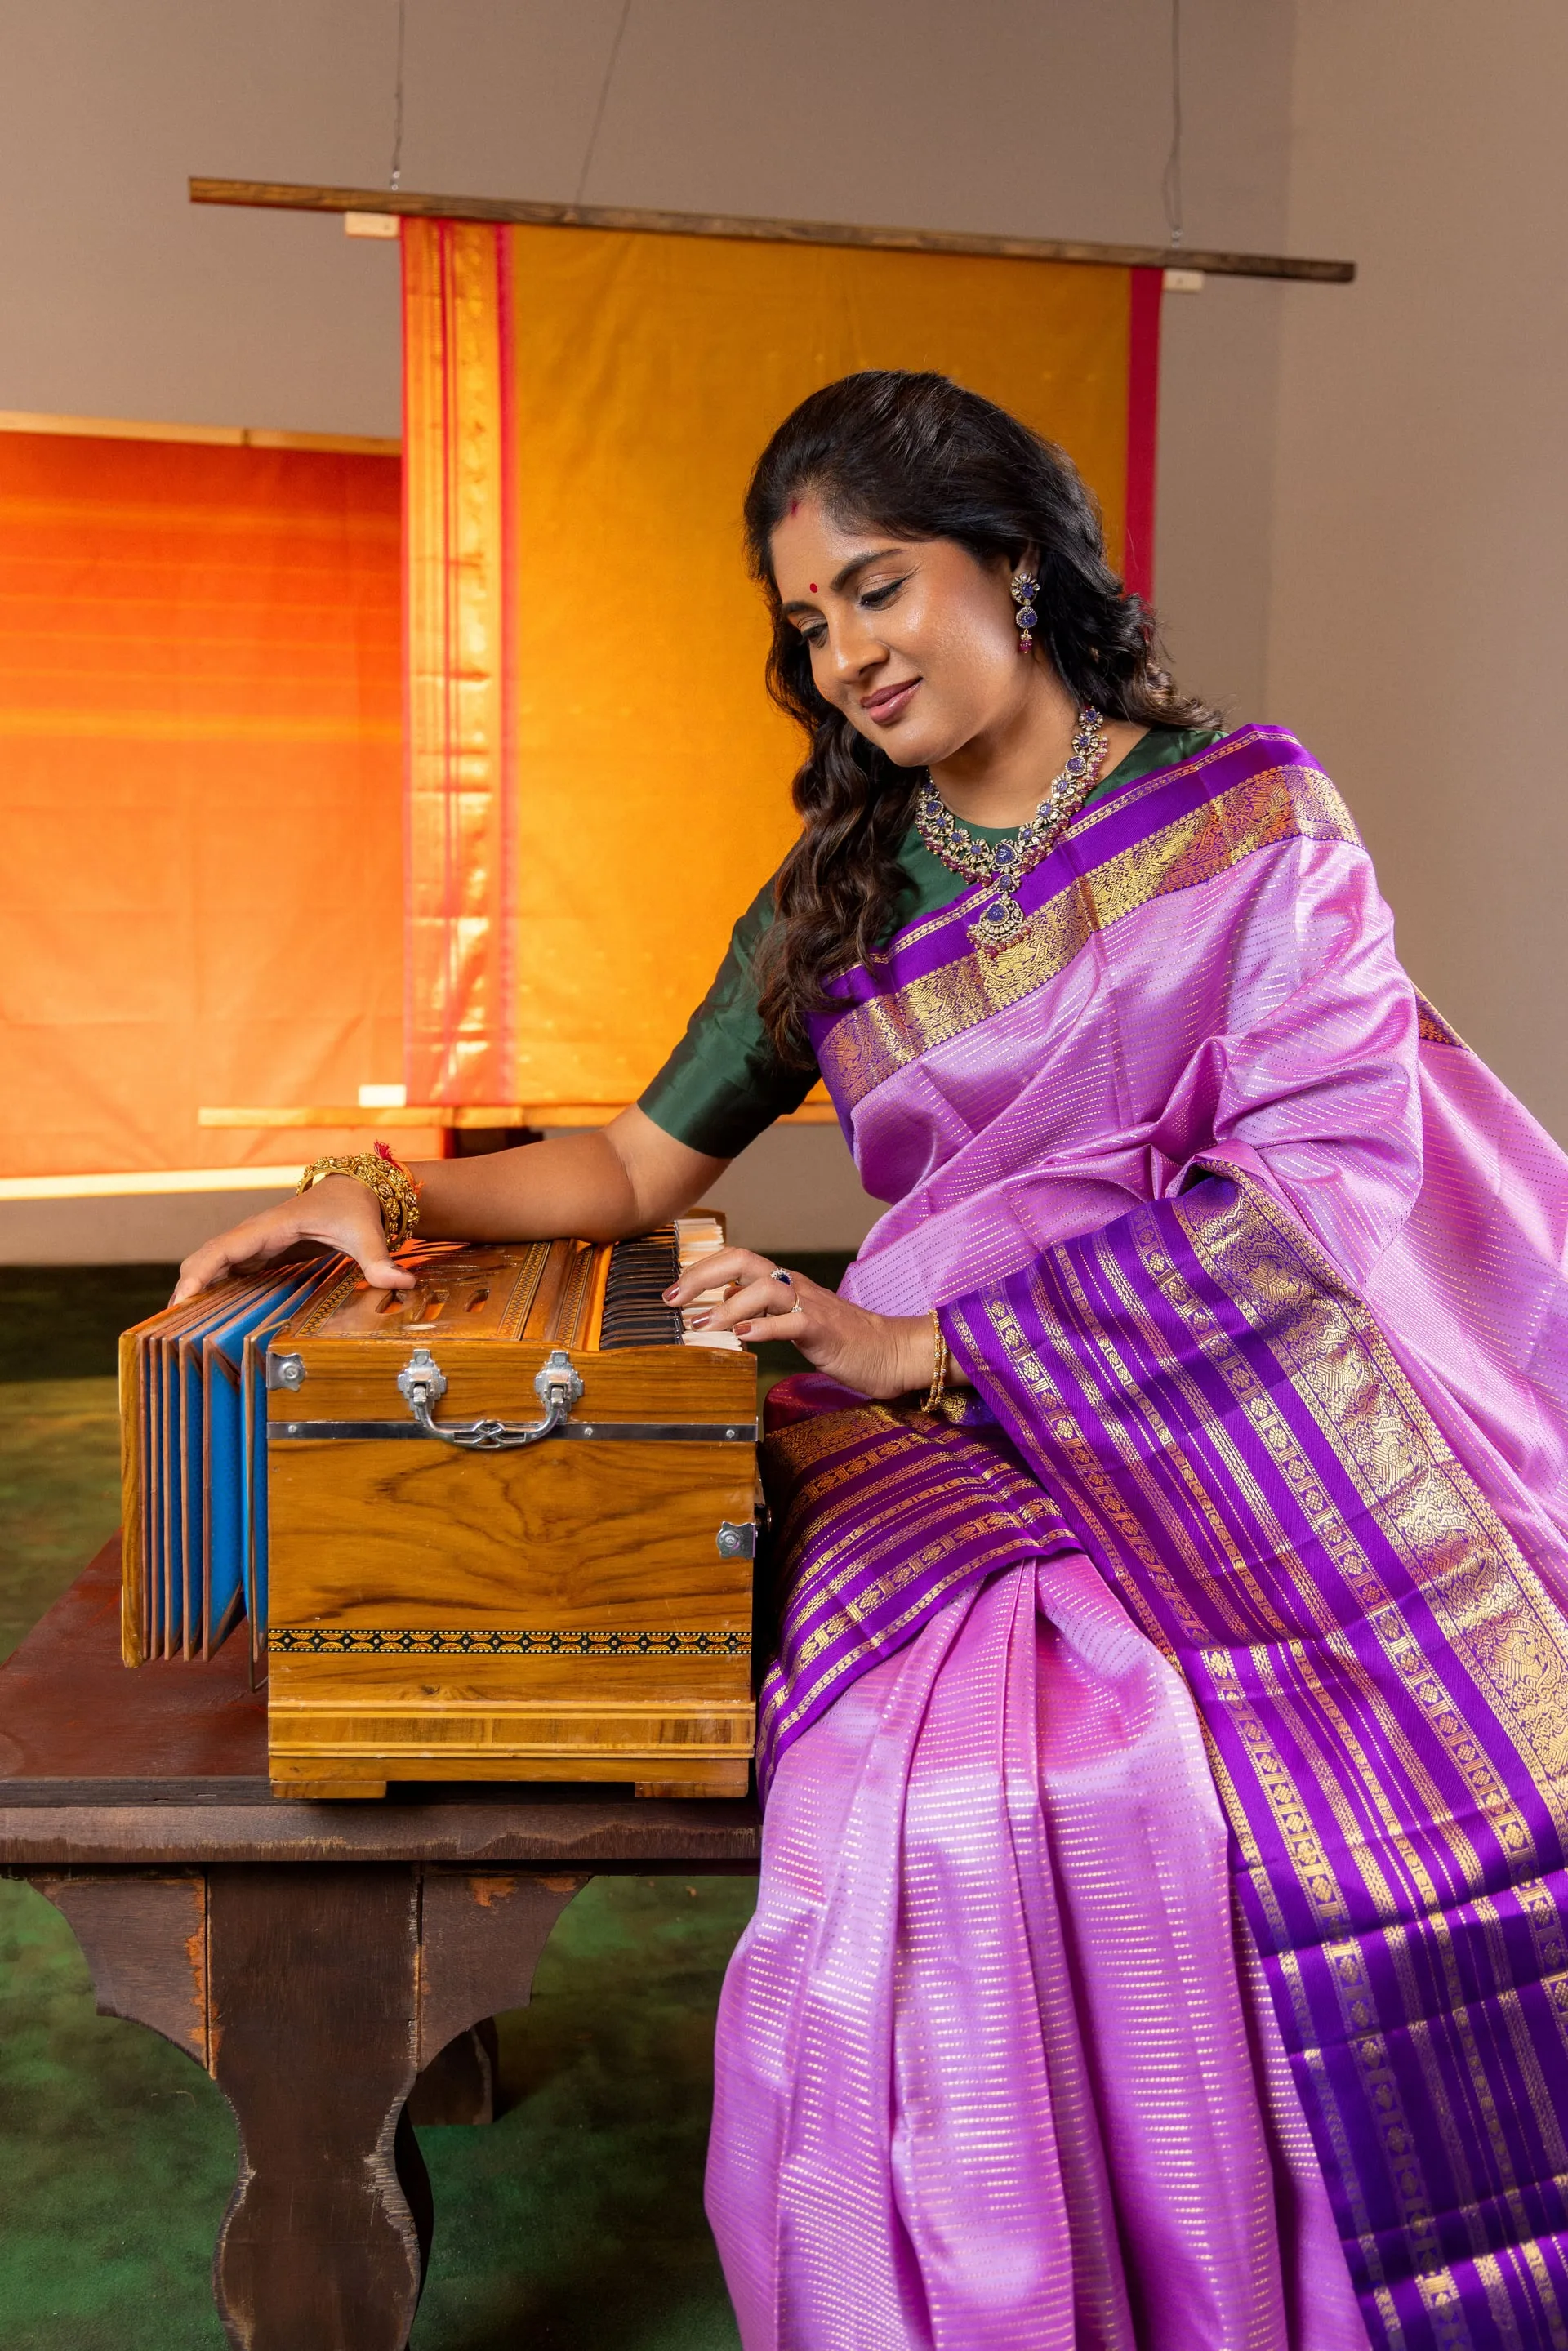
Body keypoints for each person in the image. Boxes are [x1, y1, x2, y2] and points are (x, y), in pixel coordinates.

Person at [175, 370, 1568, 2351]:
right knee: (1007, 1782)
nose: (844, 658)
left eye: (876, 591)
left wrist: (921, 1334)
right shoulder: (843, 894)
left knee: (1327, 1776)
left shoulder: (1251, 815)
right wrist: (367, 1181)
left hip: (1253, 1416)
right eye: (810, 626)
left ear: (1014, 560)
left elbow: (1329, 1186)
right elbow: (640, 1162)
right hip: (955, 1438)